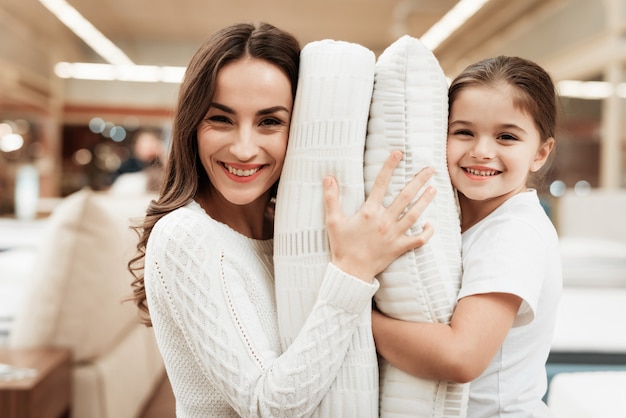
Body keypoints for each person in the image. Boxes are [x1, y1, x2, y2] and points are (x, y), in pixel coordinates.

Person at [129, 22, 436, 417]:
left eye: (270, 122)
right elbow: (267, 407)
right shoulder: (185, 236)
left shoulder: (291, 230)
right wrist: (353, 270)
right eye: (221, 119)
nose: (243, 148)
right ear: (192, 126)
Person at [372, 56, 562, 417]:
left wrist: (355, 315)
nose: (481, 151)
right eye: (464, 132)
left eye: (506, 136)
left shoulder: (514, 233)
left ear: (540, 152)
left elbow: (461, 357)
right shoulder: (453, 217)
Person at [110, 127, 166, 193]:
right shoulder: (128, 166)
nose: (149, 147)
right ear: (136, 146)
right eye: (145, 143)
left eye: (152, 142)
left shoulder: (161, 166)